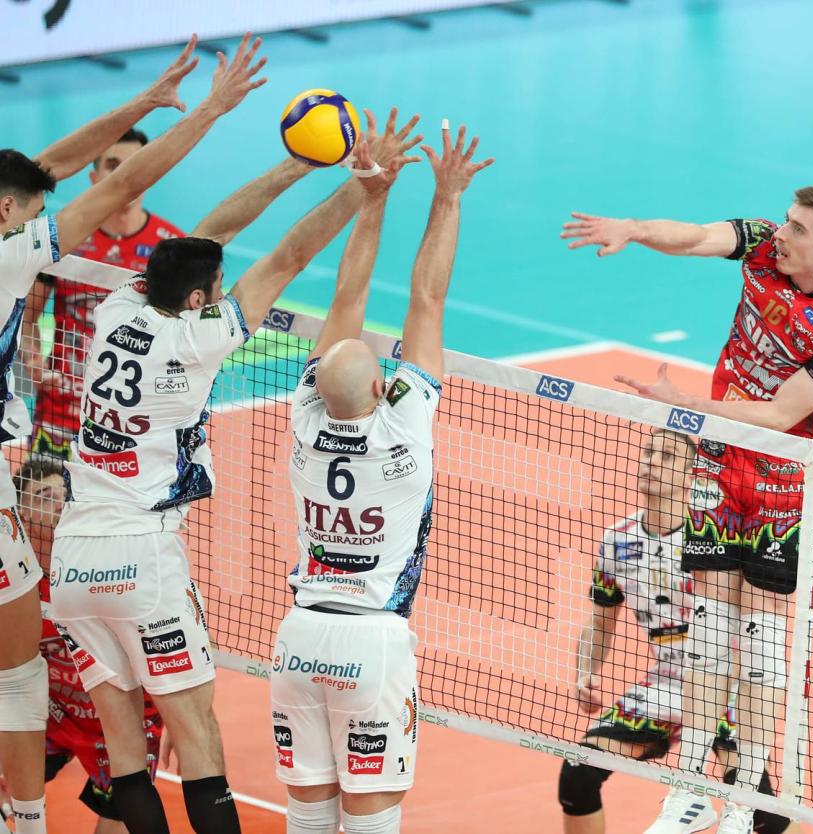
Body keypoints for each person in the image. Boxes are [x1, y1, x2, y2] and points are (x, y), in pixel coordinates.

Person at [46, 94, 422, 834]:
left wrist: (293, 165)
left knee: (125, 756)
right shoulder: (199, 338)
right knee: (198, 742)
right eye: (213, 290)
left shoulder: (120, 308)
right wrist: (363, 184)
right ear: (199, 299)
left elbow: (206, 236)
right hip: (140, 555)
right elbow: (289, 257)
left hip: (73, 555)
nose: (221, 294)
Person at [0, 34, 261, 834]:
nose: (44, 216)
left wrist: (145, 102)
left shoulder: (106, 287)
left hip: (81, 495)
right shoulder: (15, 255)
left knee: (37, 657)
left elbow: (44, 168)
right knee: (17, 672)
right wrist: (209, 111)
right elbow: (111, 182)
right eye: (33, 211)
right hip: (113, 514)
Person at [562, 190, 813, 834]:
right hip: (718, 465)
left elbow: (780, 415)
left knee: (760, 638)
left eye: (797, 228)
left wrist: (688, 406)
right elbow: (698, 236)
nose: (780, 232)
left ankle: (744, 799)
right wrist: (633, 226)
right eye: (785, 220)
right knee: (707, 628)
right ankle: (690, 786)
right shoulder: (763, 247)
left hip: (783, 478)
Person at [269, 122, 491, 834]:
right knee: (371, 818)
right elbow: (427, 300)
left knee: (308, 814)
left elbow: (346, 295)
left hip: (298, 637)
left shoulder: (304, 420)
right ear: (379, 390)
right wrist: (446, 197)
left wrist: (373, 196)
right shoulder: (404, 430)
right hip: (371, 643)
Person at [559, 428, 791, 834]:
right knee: (578, 775)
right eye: (649, 453)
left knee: (762, 810)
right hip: (664, 683)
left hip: (723, 685)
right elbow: (599, 622)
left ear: (691, 475)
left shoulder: (715, 538)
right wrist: (586, 672)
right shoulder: (617, 541)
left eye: (667, 456)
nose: (651, 462)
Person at [8, 458, 164, 834]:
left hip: (121, 720)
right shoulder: (15, 584)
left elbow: (174, 635)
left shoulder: (110, 567)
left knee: (119, 821)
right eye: (43, 496)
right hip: (50, 714)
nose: (57, 503)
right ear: (21, 514)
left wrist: (177, 717)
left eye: (62, 494)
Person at [22, 127, 185, 459]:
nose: (127, 174)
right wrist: (34, 362)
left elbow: (187, 335)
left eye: (137, 164)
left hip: (133, 422)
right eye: (114, 165)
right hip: (60, 414)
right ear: (95, 177)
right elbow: (27, 318)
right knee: (40, 495)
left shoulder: (172, 249)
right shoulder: (63, 239)